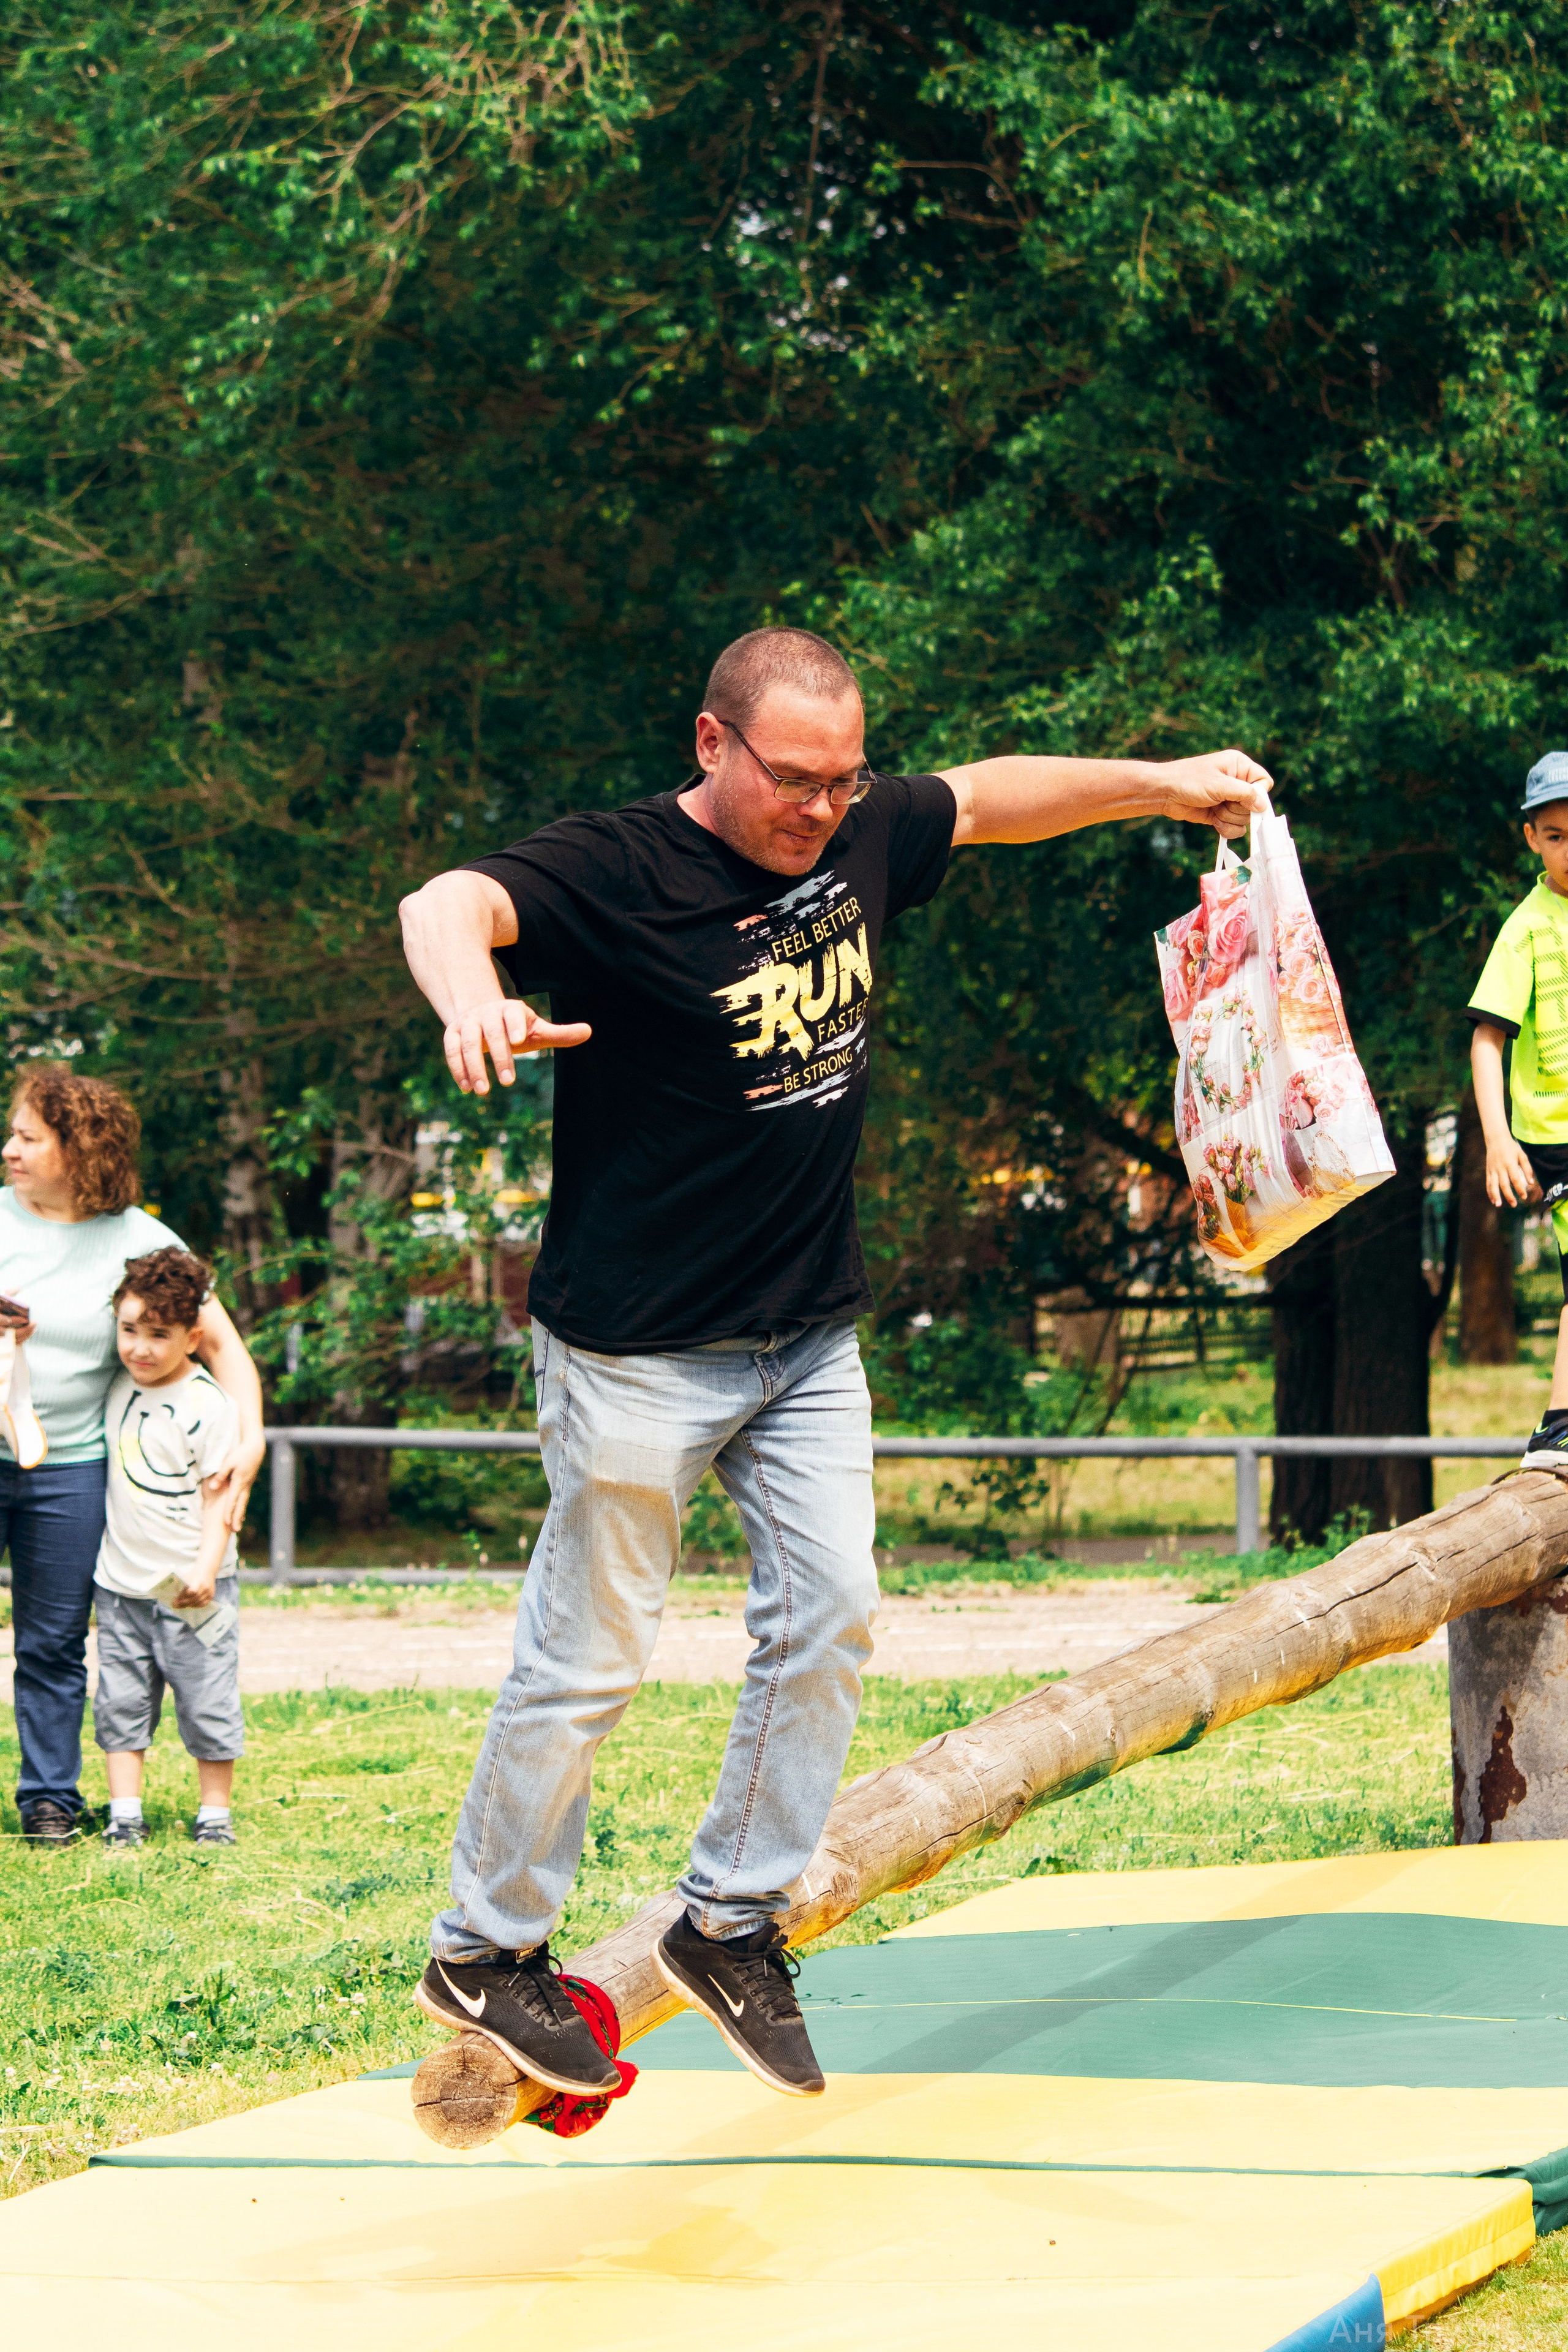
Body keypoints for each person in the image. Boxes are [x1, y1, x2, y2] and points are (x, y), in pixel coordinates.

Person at [398, 625, 1270, 2100]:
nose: (819, 807)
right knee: (591, 1655)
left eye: (841, 778)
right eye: (790, 779)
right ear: (709, 745)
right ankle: (486, 1946)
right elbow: (447, 901)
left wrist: (1160, 783)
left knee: (836, 1613)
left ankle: (730, 1918)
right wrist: (465, 997)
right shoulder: (617, 869)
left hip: (802, 1331)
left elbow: (990, 796)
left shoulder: (864, 823)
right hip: (634, 1349)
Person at [0, 1066, 264, 1846]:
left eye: (26, 1137)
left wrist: (247, 1443)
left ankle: (49, 1798)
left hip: (72, 1467)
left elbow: (225, 1351)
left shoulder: (141, 1240)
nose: (8, 1149)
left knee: (52, 1639)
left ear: (77, 1151)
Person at [92, 1249, 245, 1849]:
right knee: (121, 1701)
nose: (140, 1348)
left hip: (193, 1589)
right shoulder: (114, 1384)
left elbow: (220, 1498)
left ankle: (215, 1815)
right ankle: (124, 1814)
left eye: (159, 1334)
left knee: (207, 1698)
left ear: (192, 1337)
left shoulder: (208, 1405)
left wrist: (206, 1568)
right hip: (123, 1586)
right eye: (129, 1330)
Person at [1469, 750, 1568, 1468]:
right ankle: (1556, 1432)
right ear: (1531, 838)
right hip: (1554, 1134)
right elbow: (1485, 1039)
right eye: (1555, 834)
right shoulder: (1527, 928)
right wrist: (1499, 1141)